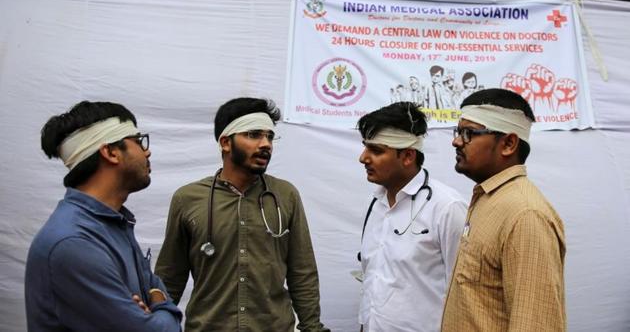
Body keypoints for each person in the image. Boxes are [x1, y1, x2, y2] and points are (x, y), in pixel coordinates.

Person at [155, 97, 329, 332]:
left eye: (269, 136)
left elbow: (302, 272)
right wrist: (157, 324)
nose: (266, 144)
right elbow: (170, 277)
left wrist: (312, 328)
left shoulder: (285, 195)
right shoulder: (187, 199)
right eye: (254, 134)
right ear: (226, 142)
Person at [25, 101, 182, 332]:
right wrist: (162, 305)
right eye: (138, 141)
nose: (147, 150)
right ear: (110, 152)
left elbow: (154, 287)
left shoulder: (112, 223)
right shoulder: (73, 242)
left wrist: (155, 297)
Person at [442, 89, 566, 331]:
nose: (456, 141)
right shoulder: (488, 198)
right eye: (458, 132)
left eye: (469, 133)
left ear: (508, 143)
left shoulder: (525, 214)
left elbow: (534, 324)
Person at [356, 102, 467, 332]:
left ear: (407, 156)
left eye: (376, 151)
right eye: (365, 147)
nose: (363, 158)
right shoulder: (377, 204)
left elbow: (464, 293)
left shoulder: (446, 207)